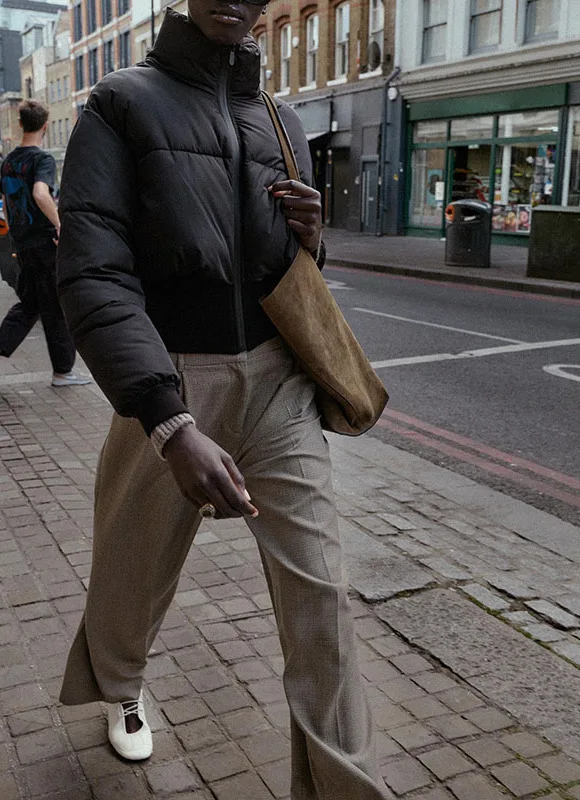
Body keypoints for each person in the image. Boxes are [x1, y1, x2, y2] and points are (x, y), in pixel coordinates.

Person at [56, 2, 392, 798]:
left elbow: (288, 268)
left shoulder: (280, 116)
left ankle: (345, 787)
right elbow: (95, 274)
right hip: (173, 382)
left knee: (321, 602)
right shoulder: (118, 103)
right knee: (131, 577)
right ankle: (122, 687)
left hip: (279, 381)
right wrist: (168, 423)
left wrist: (310, 237)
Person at [0, 100, 90, 386]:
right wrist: (59, 223)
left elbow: (7, 199)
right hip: (44, 244)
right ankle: (63, 372)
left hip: (22, 243)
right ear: (45, 126)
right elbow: (40, 193)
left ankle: (59, 368)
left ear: (20, 124)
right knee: (57, 305)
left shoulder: (9, 161)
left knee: (30, 304)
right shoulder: (42, 160)